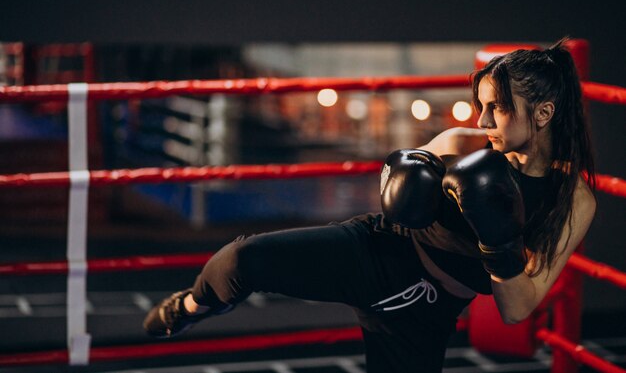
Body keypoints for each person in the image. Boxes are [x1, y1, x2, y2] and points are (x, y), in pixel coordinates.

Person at [143, 38, 596, 373]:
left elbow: (518, 308)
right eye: (480, 106)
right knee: (239, 259)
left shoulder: (572, 199)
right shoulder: (463, 143)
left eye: (495, 108)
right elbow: (396, 181)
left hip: (426, 310)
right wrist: (405, 175)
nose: (481, 121)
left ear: (543, 112)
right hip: (375, 249)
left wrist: (498, 238)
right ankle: (191, 307)